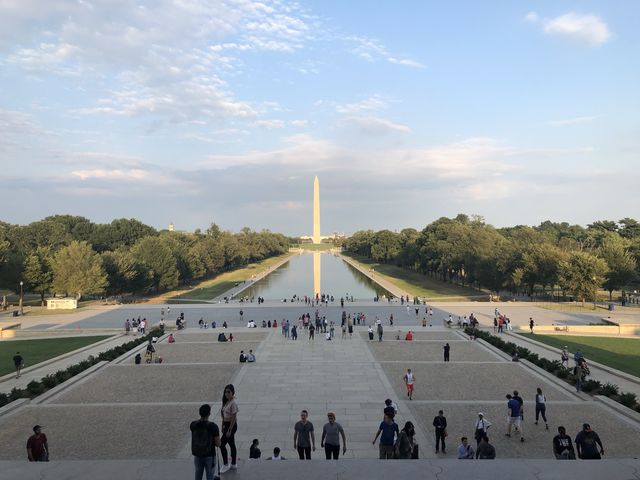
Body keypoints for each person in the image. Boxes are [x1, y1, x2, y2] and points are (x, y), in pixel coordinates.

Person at [190, 404, 221, 480]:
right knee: (210, 476)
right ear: (209, 414)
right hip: (209, 455)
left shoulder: (193, 424)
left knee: (198, 475)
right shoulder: (213, 426)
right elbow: (218, 444)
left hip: (197, 454)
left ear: (199, 413)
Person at [219, 384, 239, 473]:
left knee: (221, 444)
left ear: (232, 392)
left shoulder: (233, 403)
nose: (227, 394)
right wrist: (222, 425)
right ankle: (234, 463)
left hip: (231, 425)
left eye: (228, 392)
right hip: (226, 425)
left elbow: (234, 417)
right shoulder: (226, 401)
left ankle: (226, 464)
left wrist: (230, 430)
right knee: (231, 444)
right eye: (225, 392)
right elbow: (223, 415)